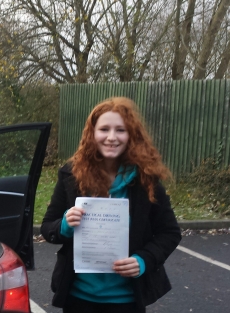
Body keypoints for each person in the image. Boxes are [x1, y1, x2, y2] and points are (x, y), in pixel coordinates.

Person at [41, 97, 182, 312]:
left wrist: (143, 260)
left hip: (127, 300)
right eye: (104, 129)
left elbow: (170, 232)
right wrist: (64, 225)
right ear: (92, 133)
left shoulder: (146, 179)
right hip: (78, 297)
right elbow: (47, 226)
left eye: (120, 130)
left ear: (131, 135)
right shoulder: (71, 175)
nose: (111, 138)